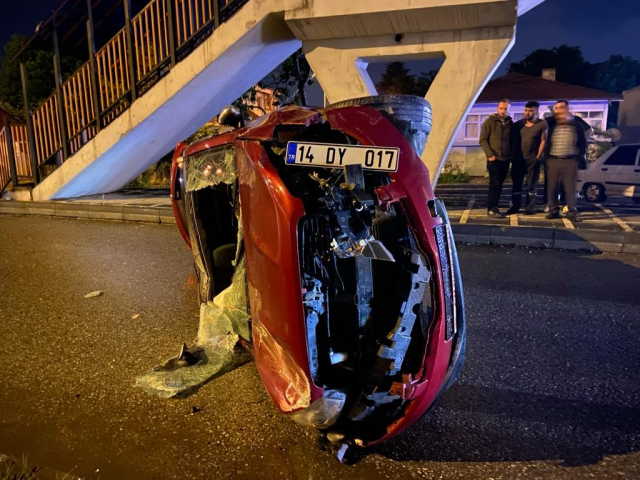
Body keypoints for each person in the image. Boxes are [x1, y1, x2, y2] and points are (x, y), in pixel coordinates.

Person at [543, 100, 592, 212]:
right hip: (553, 159)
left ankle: (569, 208)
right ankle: (552, 208)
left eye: (560, 107)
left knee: (569, 187)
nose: (558, 110)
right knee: (551, 186)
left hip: (570, 159)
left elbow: (588, 131)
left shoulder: (576, 123)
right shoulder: (550, 122)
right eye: (556, 108)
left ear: (567, 109)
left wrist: (579, 153)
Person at [507, 101, 548, 215]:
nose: (527, 113)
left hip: (532, 159)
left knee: (531, 185)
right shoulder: (518, 124)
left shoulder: (542, 124)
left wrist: (538, 156)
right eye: (526, 110)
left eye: (530, 110)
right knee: (517, 185)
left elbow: (543, 140)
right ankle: (515, 207)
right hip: (518, 160)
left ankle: (529, 208)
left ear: (536, 111)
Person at [479, 99, 513, 217]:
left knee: (499, 184)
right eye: (501, 108)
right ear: (497, 108)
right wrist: (490, 155)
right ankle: (491, 208)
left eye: (505, 108)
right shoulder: (490, 122)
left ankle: (495, 206)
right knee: (494, 183)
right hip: (494, 159)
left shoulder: (509, 123)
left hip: (505, 159)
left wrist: (510, 156)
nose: (503, 111)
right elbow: (483, 140)